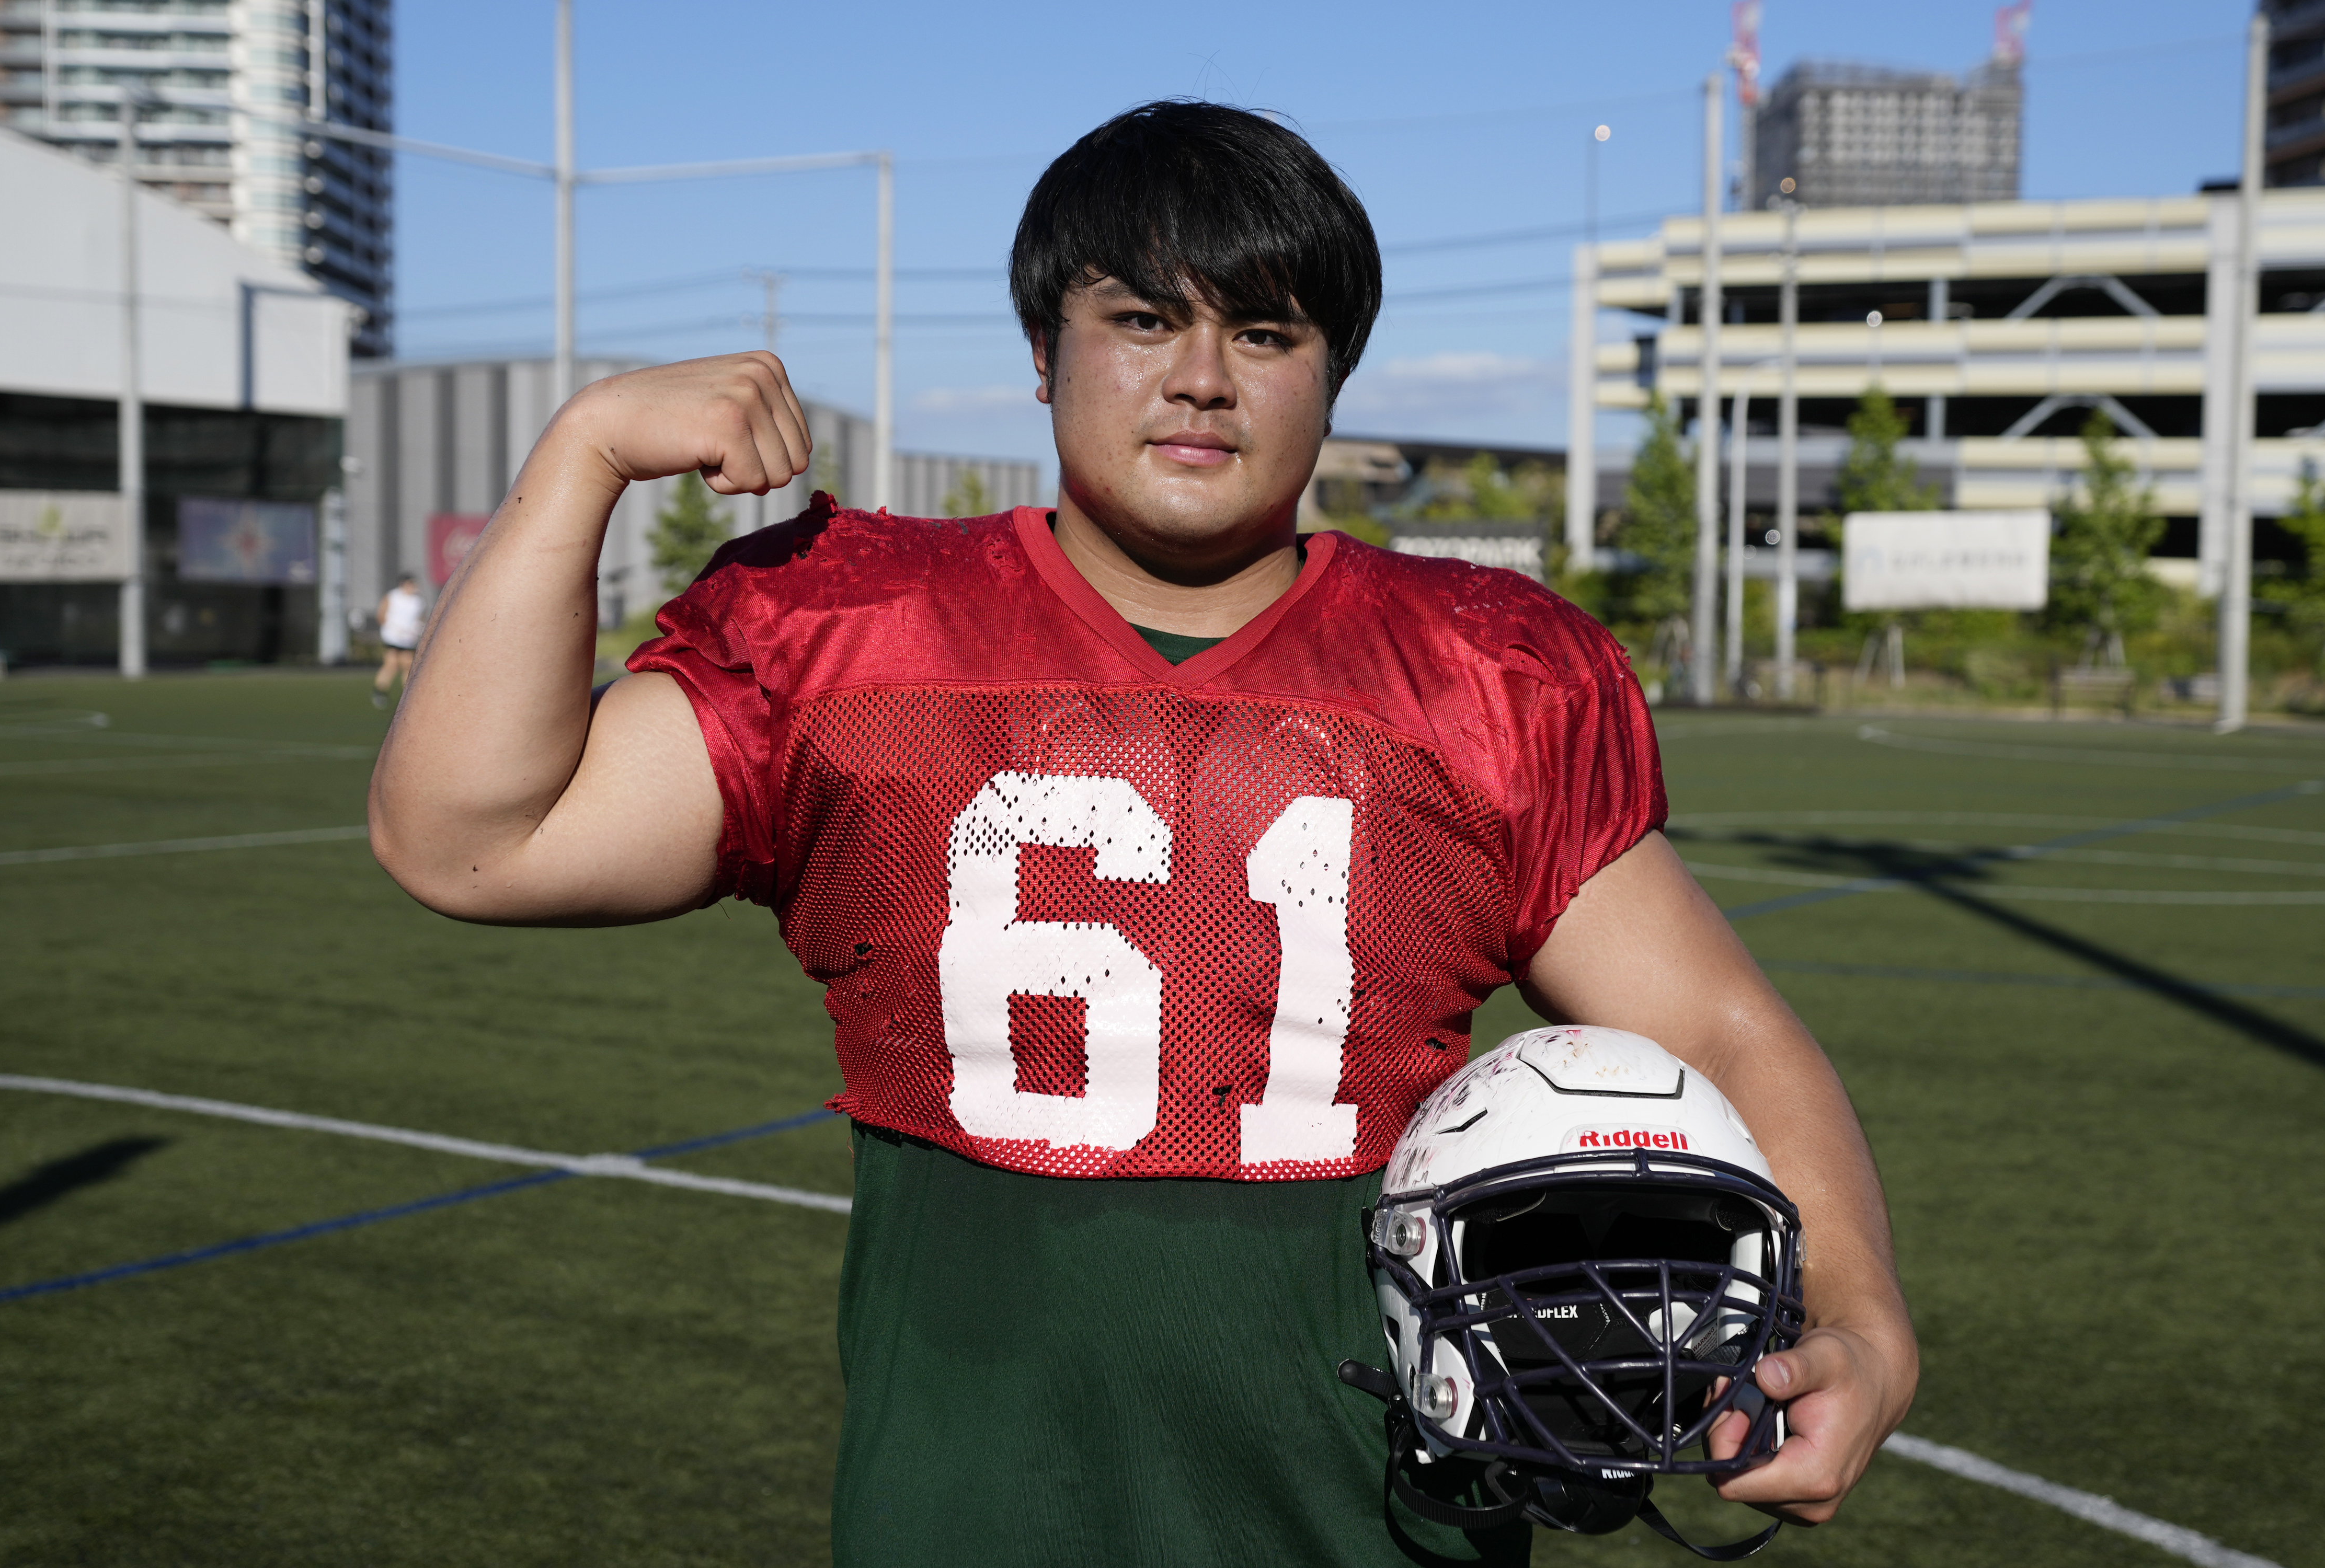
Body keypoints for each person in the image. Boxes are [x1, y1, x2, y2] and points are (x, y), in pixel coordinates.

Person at [369, 102, 1915, 1566]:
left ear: (1330, 375)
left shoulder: (1479, 675)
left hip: (1370, 1523)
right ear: (1043, 354)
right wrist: (574, 460)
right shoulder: (853, 633)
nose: (1202, 377)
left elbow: (1719, 1022)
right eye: (1142, 318)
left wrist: (1860, 1312)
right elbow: (470, 840)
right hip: (964, 1517)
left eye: (1264, 331)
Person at [372, 572, 425, 709]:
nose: (414, 586)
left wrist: (416, 629)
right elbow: (381, 615)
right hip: (392, 637)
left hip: (408, 639)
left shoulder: (417, 601)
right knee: (392, 664)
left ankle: (407, 696)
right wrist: (393, 629)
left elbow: (420, 619)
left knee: (408, 665)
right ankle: (380, 693)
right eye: (411, 583)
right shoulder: (393, 596)